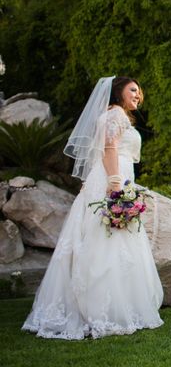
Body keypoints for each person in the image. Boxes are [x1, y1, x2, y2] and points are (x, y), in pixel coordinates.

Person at [22, 76, 163, 339]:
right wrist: (114, 184)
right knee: (107, 240)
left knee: (113, 239)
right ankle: (104, 310)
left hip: (117, 176)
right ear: (117, 91)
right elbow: (109, 149)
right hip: (113, 178)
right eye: (132, 90)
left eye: (139, 91)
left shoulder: (116, 115)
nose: (138, 95)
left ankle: (118, 306)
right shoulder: (116, 115)